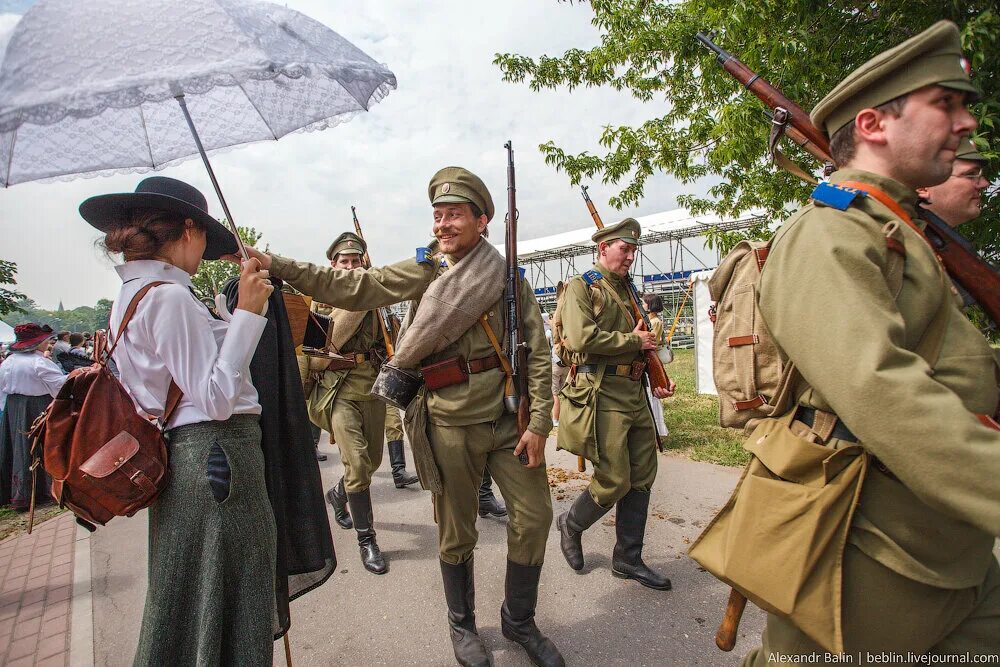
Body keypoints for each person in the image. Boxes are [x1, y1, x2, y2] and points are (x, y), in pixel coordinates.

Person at [743, 21, 999, 661]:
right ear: (874, 125)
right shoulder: (830, 235)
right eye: (946, 103)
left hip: (947, 545)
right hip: (872, 552)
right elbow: (880, 389)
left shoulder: (901, 232)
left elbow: (946, 362)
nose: (966, 122)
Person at [244, 166, 563, 667]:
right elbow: (352, 286)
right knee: (457, 531)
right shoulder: (425, 269)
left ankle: (518, 619)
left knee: (536, 517)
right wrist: (276, 263)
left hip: (508, 420)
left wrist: (540, 421)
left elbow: (539, 353)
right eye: (437, 215)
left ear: (483, 220)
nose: (442, 225)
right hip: (448, 420)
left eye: (454, 214)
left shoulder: (506, 277)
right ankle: (462, 626)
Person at [82, 176, 277, 665]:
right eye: (205, 239)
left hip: (192, 461)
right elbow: (213, 397)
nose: (205, 251)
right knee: (230, 592)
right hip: (217, 457)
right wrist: (249, 315)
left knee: (191, 597)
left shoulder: (133, 295)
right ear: (189, 230)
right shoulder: (167, 296)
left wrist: (228, 319)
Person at [555, 218, 675, 590]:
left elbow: (643, 340)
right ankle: (571, 524)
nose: (631, 256)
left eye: (634, 250)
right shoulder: (582, 287)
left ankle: (627, 558)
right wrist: (633, 343)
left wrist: (655, 376)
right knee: (614, 479)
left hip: (634, 392)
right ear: (603, 248)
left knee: (642, 477)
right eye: (625, 248)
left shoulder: (628, 290)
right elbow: (579, 337)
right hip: (602, 395)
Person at [312, 231, 394, 575]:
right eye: (343, 262)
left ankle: (338, 494)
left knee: (372, 461)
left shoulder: (375, 297)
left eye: (355, 261)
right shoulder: (320, 301)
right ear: (333, 265)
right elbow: (315, 354)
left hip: (371, 387)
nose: (350, 266)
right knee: (358, 464)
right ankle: (367, 540)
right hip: (338, 389)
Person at [0, 323, 65, 510]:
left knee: (18, 448)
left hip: (13, 408)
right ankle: (42, 490)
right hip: (37, 407)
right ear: (36, 344)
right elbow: (59, 387)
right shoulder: (39, 362)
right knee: (40, 447)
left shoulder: (9, 362)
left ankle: (18, 492)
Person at [918, 136, 990, 228]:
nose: (984, 184)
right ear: (923, 187)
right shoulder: (899, 239)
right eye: (971, 174)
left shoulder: (926, 238)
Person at [641, 293, 669, 438]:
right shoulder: (649, 320)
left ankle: (657, 430)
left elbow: (653, 342)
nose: (642, 304)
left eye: (644, 302)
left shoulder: (655, 322)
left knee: (653, 395)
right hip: (647, 361)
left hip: (651, 361)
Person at [383, 404, 419, 488]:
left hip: (382, 393)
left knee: (394, 424)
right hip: (362, 397)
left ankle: (398, 471)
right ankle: (352, 480)